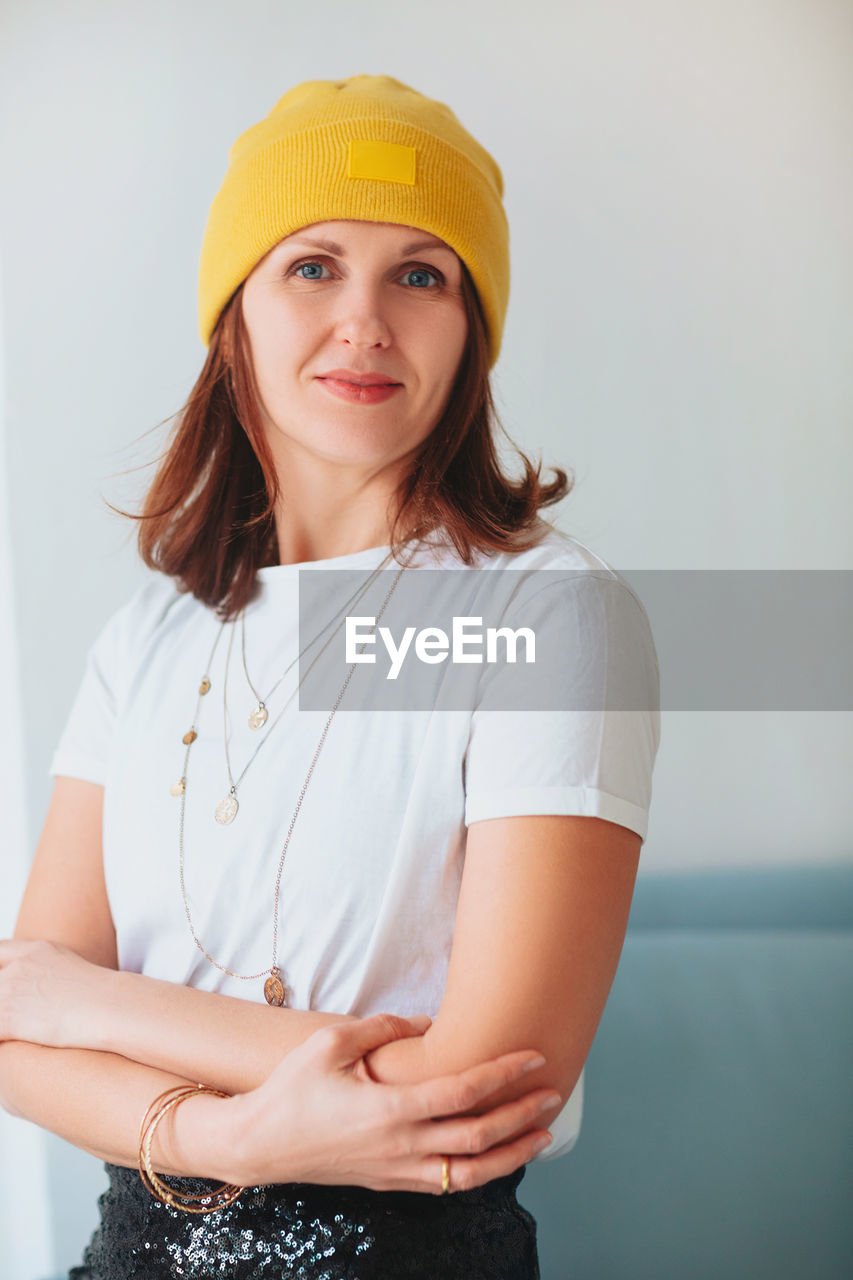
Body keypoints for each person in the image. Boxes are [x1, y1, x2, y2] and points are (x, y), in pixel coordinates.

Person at [0, 74, 660, 1278]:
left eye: (421, 274)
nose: (364, 320)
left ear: (471, 330)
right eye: (313, 265)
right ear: (234, 308)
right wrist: (236, 1135)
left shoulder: (546, 615)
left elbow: (481, 1083)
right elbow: (12, 1036)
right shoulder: (141, 641)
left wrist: (91, 1005)